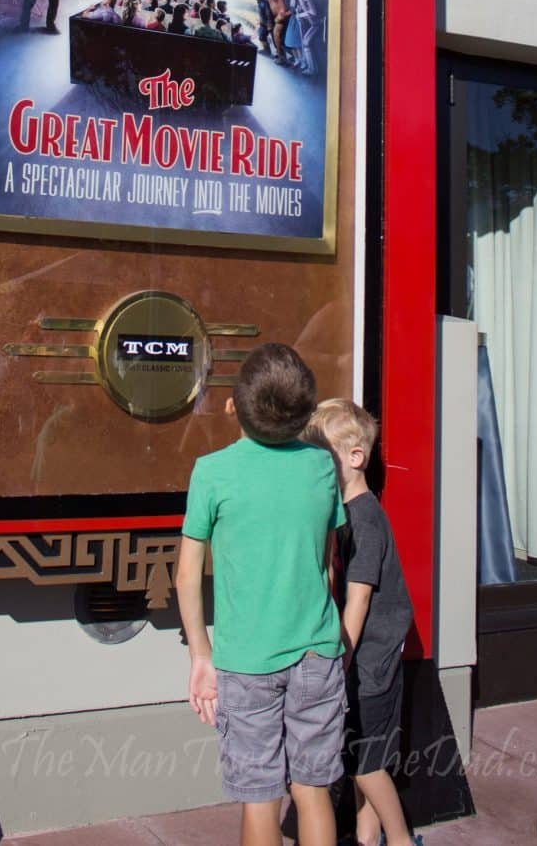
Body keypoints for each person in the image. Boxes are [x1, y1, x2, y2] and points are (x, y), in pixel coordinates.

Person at [176, 345, 346, 846]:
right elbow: (327, 565)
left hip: (246, 661)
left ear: (233, 406)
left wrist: (200, 654)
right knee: (313, 789)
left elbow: (187, 575)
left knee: (260, 797)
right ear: (306, 413)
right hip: (317, 653)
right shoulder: (322, 467)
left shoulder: (212, 471)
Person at [304, 400, 421, 846]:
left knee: (364, 763)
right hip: (366, 657)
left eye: (324, 456)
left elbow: (359, 598)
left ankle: (401, 839)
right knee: (363, 758)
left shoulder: (365, 519)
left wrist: (342, 659)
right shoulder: (349, 513)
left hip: (369, 660)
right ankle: (368, 838)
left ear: (355, 457)